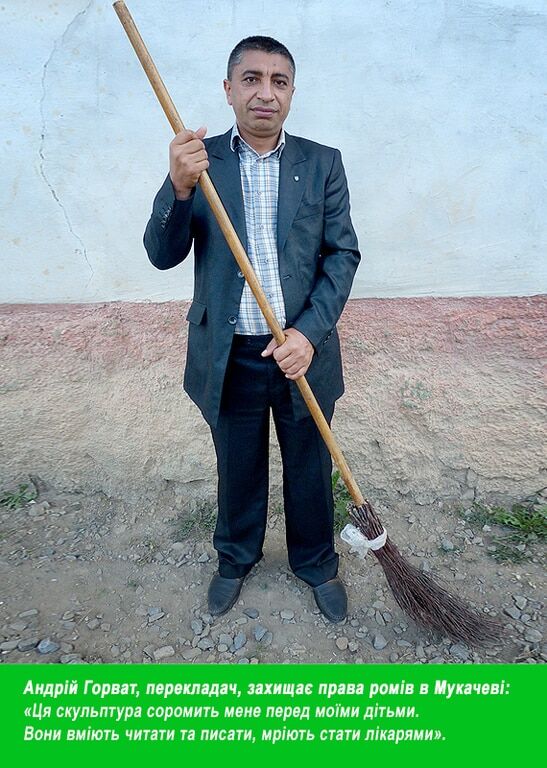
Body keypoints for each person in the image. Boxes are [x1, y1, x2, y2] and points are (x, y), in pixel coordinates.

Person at [144, 36, 361, 623]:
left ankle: (316, 563)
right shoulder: (199, 160)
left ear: (291, 91)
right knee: (237, 463)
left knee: (310, 466)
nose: (266, 93)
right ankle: (235, 558)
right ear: (229, 88)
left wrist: (309, 334)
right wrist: (179, 185)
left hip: (301, 352)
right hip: (230, 351)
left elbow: (342, 255)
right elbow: (162, 254)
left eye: (279, 81)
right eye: (252, 79)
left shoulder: (322, 163)